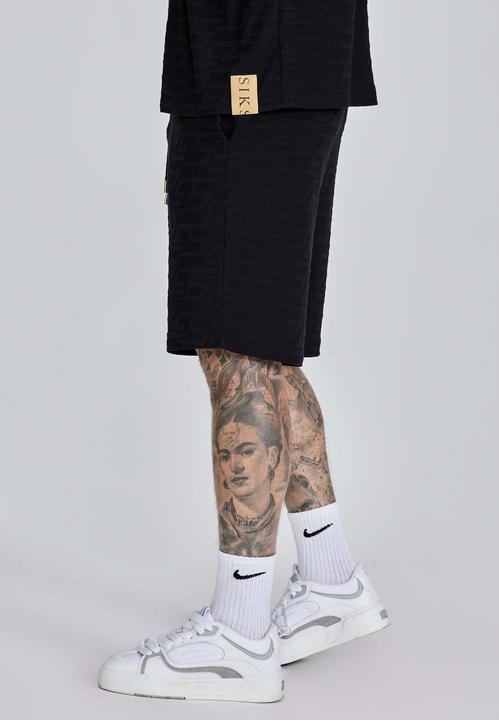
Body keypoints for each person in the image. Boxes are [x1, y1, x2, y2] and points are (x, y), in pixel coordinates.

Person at [98, 0, 389, 703]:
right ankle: (329, 578)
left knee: (239, 352)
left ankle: (239, 633)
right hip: (279, 69)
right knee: (261, 354)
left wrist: (235, 79)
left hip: (250, 71)